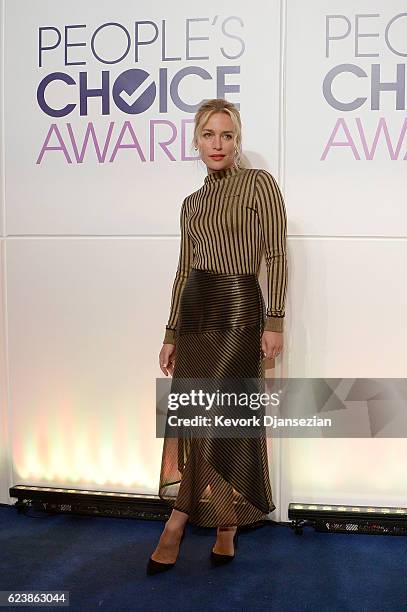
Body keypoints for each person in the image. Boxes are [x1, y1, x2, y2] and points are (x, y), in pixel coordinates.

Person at [147, 98, 288, 575]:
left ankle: (177, 522)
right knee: (197, 415)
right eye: (209, 135)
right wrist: (170, 333)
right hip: (196, 313)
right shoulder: (192, 204)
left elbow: (278, 256)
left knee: (220, 417)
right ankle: (224, 521)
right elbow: (184, 271)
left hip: (239, 311)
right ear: (196, 140)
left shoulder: (259, 185)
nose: (218, 144)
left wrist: (275, 321)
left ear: (237, 140)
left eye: (227, 135)